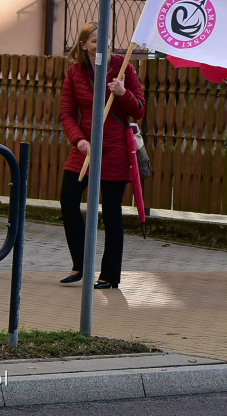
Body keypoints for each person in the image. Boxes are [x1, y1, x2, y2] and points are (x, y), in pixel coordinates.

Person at [58, 23, 145, 289]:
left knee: (111, 211)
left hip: (115, 149)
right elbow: (67, 114)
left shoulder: (124, 68)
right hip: (86, 147)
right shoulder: (75, 73)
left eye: (104, 39)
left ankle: (109, 275)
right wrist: (79, 140)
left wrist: (122, 93)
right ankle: (81, 262)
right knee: (68, 200)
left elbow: (139, 109)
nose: (102, 45)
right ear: (84, 45)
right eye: (95, 41)